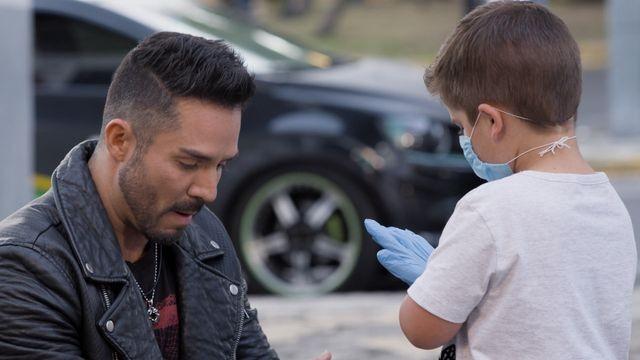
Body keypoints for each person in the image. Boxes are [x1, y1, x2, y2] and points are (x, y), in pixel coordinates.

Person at [0, 32, 331, 360]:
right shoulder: (24, 268)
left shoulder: (205, 239)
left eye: (221, 165)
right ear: (119, 141)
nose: (208, 191)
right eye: (189, 163)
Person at [365, 1, 636, 359]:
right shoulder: (610, 206)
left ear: (492, 122)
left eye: (462, 127)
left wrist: (431, 284)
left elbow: (423, 329)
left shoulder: (488, 208)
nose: (464, 140)